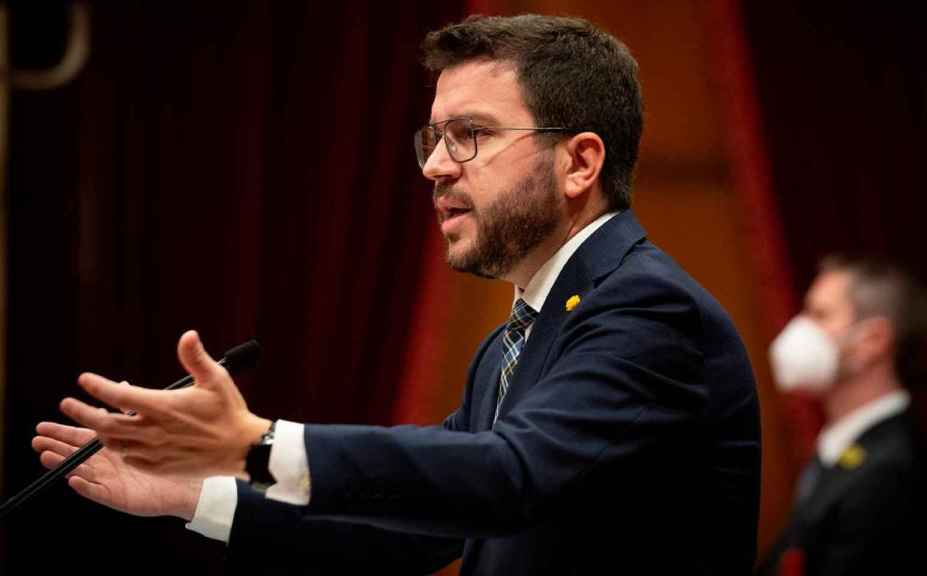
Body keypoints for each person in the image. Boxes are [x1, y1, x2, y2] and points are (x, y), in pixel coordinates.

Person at [33, 14, 761, 575]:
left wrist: (260, 441)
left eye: (470, 134)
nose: (435, 167)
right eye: (434, 138)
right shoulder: (516, 340)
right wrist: (191, 493)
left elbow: (507, 476)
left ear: (579, 162)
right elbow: (409, 527)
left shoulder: (646, 310)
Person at [759, 254, 927, 576]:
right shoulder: (843, 443)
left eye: (819, 315)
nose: (800, 330)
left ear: (873, 340)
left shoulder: (889, 469)